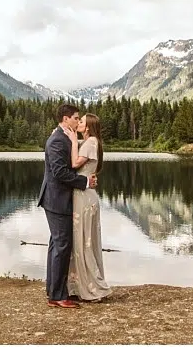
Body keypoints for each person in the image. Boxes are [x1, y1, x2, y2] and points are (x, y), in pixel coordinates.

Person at [38, 104, 97, 309]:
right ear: (65, 119)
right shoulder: (56, 141)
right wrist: (85, 182)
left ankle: (53, 290)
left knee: (57, 245)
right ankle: (57, 296)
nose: (78, 121)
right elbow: (60, 173)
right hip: (56, 201)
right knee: (62, 246)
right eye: (75, 118)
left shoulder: (64, 137)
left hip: (58, 199)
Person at [64, 113, 112, 302]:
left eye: (81, 122)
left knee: (84, 241)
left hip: (84, 197)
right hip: (84, 194)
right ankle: (79, 285)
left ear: (88, 127)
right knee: (82, 240)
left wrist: (73, 142)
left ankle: (91, 287)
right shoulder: (93, 142)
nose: (78, 123)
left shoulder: (91, 141)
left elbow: (75, 163)